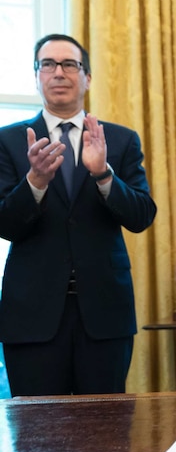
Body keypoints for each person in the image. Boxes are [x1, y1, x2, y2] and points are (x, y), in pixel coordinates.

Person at [0, 34, 157, 396]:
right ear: (36, 76)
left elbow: (141, 215)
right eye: (48, 65)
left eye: (69, 64)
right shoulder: (9, 142)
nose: (59, 72)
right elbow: (5, 224)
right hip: (31, 316)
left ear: (86, 77)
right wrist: (35, 181)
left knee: (105, 434)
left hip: (104, 314)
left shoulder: (119, 141)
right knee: (37, 438)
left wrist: (103, 174)